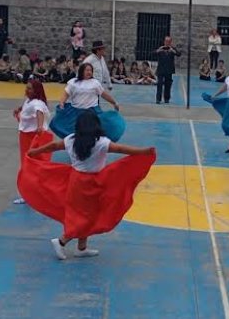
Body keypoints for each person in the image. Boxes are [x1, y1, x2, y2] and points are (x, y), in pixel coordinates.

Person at [22, 110, 156, 260]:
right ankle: (61, 241)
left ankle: (81, 247)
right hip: (92, 182)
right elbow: (121, 149)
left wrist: (35, 151)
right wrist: (143, 151)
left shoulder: (71, 139)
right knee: (88, 217)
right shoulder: (101, 142)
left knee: (82, 214)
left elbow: (53, 146)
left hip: (75, 180)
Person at [50, 63, 125, 142]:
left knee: (95, 130)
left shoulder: (95, 83)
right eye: (87, 70)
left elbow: (104, 94)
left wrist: (114, 102)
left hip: (92, 111)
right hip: (76, 111)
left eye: (91, 71)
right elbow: (65, 94)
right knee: (75, 132)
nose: (89, 72)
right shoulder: (73, 83)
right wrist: (62, 102)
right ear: (82, 71)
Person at [12, 79, 52, 205]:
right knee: (31, 165)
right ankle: (36, 192)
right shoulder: (30, 101)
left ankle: (29, 194)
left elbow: (38, 112)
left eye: (30, 88)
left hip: (31, 138)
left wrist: (39, 126)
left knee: (29, 166)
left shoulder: (36, 103)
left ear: (36, 90)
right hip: (26, 137)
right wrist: (20, 109)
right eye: (27, 87)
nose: (27, 90)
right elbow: (29, 108)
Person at [153, 36, 180, 105]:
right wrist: (158, 50)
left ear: (170, 42)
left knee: (168, 85)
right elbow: (153, 53)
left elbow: (178, 54)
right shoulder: (161, 48)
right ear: (164, 41)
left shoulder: (172, 49)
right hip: (161, 69)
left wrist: (173, 51)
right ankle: (158, 99)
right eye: (166, 41)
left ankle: (166, 98)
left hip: (169, 70)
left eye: (168, 41)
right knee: (159, 84)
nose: (167, 43)